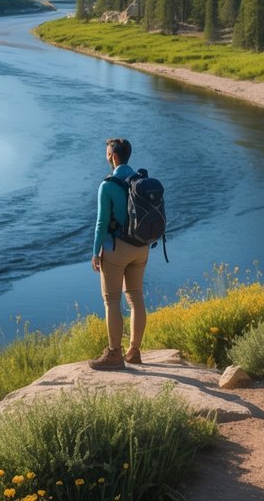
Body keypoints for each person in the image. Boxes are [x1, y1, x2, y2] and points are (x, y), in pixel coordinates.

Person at [89, 137, 148, 370]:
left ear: (113, 156)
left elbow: (102, 222)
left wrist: (96, 252)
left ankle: (114, 354)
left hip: (116, 249)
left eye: (107, 152)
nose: (106, 155)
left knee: (112, 300)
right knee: (136, 298)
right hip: (141, 248)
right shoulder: (140, 179)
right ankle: (134, 351)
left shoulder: (108, 184)